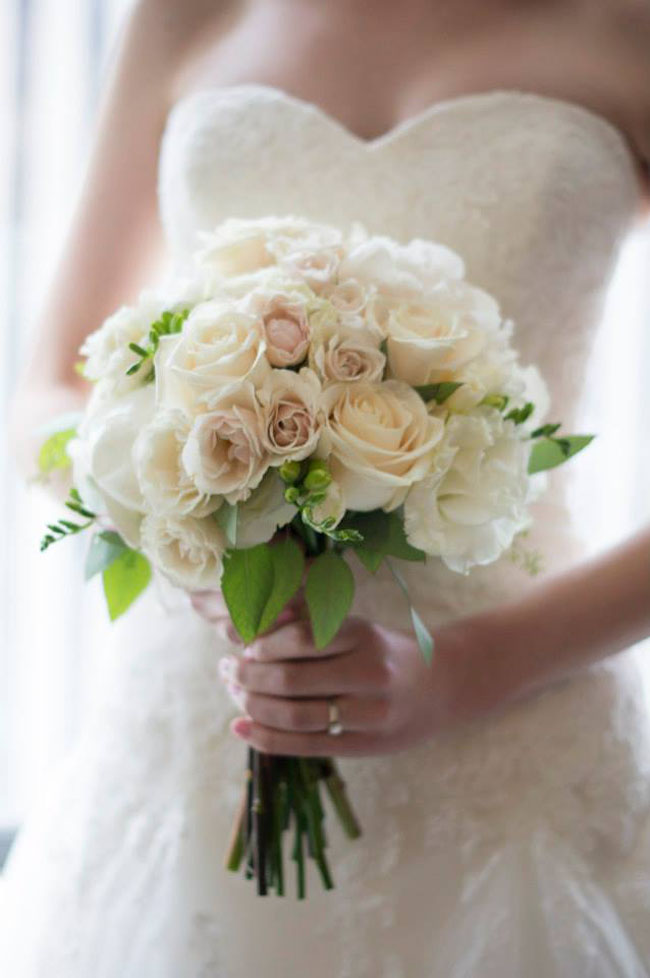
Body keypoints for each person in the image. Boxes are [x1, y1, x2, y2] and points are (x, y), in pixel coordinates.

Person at [3, 0, 650, 974]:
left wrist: (469, 669)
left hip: (510, 719)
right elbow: (49, 391)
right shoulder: (181, 15)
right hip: (200, 714)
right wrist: (180, 516)